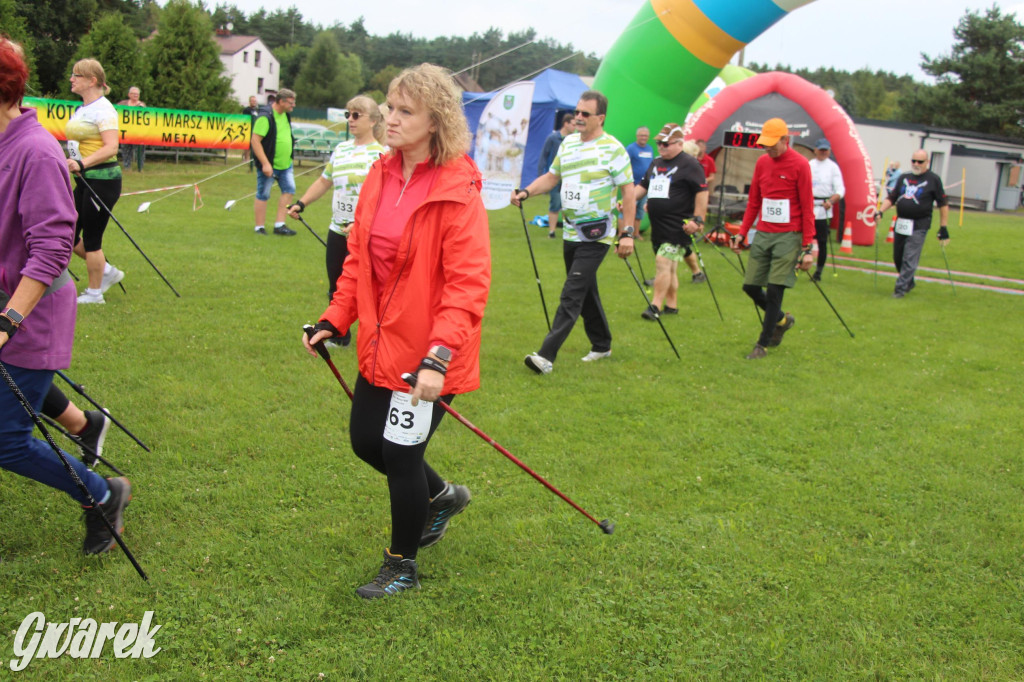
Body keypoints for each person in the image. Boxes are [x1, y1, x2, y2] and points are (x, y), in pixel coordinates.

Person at [303, 64, 490, 599]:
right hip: (382, 341)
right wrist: (334, 319)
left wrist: (438, 356)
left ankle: (401, 566)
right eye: (391, 106)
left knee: (401, 454)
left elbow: (467, 283)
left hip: (432, 349)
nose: (391, 118)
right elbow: (358, 260)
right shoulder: (381, 175)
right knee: (368, 443)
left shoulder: (458, 186)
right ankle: (444, 497)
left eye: (406, 111)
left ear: (436, 122)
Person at [0, 37, 131, 556]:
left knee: (7, 440)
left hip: (32, 313)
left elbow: (54, 247)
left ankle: (103, 496)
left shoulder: (34, 151)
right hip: (10, 304)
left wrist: (10, 317)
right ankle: (83, 423)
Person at [512, 90, 636, 374]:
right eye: (577, 112)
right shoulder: (567, 144)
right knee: (585, 290)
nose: (578, 117)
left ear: (600, 118)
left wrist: (626, 232)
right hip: (570, 232)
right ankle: (602, 344)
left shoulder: (613, 148)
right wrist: (527, 191)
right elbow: (552, 177)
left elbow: (629, 191)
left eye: (585, 114)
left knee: (572, 293)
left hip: (598, 234)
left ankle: (546, 356)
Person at [288, 95, 386, 348]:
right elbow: (324, 181)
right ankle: (340, 335)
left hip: (367, 233)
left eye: (356, 115)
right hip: (338, 230)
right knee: (337, 284)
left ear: (373, 120)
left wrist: (365, 224)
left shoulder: (382, 154)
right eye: (347, 115)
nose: (350, 120)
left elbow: (386, 197)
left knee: (372, 286)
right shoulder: (341, 150)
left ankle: (378, 336)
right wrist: (302, 203)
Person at [729, 118, 814, 359]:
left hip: (790, 235)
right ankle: (782, 320)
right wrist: (742, 233)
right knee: (751, 286)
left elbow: (808, 206)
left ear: (785, 140)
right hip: (764, 233)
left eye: (772, 144)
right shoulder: (762, 163)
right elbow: (754, 201)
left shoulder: (801, 165)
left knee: (776, 290)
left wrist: (808, 246)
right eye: (765, 144)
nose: (768, 148)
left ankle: (762, 344)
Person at [66, 58, 126, 305]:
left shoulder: (104, 110)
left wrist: (82, 164)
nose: (71, 79)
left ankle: (94, 293)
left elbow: (112, 146)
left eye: (76, 75)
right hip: (84, 179)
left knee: (91, 238)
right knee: (66, 232)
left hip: (102, 180)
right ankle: (108, 271)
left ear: (92, 81)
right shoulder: (83, 108)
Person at [634, 123, 709, 320]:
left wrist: (698, 219)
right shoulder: (656, 163)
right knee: (670, 267)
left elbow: (702, 193)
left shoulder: (690, 164)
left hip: (678, 225)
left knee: (663, 262)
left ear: (679, 143)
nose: (661, 147)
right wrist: (626, 201)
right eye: (659, 143)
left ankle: (655, 305)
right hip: (658, 225)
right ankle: (672, 305)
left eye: (665, 143)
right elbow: (642, 187)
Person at [876, 150, 949, 299]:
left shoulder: (933, 179)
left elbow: (943, 204)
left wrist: (943, 227)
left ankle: (900, 289)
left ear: (927, 162)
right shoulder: (904, 177)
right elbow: (892, 197)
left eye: (920, 162)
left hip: (920, 224)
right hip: (902, 222)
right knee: (898, 257)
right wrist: (880, 211)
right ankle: (909, 281)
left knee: (910, 256)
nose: (916, 164)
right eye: (913, 161)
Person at [251, 88, 298, 236]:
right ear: (281, 101)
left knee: (289, 190)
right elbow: (255, 141)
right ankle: (259, 227)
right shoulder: (265, 117)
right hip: (270, 164)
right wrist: (265, 163)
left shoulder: (286, 116)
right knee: (263, 194)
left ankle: (280, 225)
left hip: (286, 164)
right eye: (291, 103)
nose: (293, 106)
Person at [809, 138, 845, 281]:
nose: (823, 152)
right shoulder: (809, 165)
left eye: (826, 150)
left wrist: (831, 201)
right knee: (802, 238)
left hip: (824, 207)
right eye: (821, 149)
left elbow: (840, 189)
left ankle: (818, 272)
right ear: (815, 150)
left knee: (822, 241)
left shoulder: (833, 167)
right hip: (809, 205)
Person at [538, 112, 575, 238]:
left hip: (569, 179)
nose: (575, 127)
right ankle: (552, 231)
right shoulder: (553, 138)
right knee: (555, 204)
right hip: (555, 178)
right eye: (573, 124)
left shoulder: (575, 140)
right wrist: (540, 175)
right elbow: (543, 156)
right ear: (566, 124)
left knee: (568, 206)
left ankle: (568, 232)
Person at [626, 126, 654, 235]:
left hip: (646, 185)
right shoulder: (631, 148)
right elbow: (626, 163)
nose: (644, 138)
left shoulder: (650, 149)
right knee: (628, 209)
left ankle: (636, 233)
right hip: (633, 184)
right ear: (637, 136)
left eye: (646, 136)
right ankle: (623, 233)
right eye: (642, 135)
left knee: (640, 211)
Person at [116, 86, 146, 172]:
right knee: (125, 150)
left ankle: (140, 167)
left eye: (137, 94)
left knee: (140, 151)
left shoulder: (142, 105)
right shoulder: (122, 104)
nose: (136, 95)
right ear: (129, 94)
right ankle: (127, 167)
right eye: (134, 94)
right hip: (126, 132)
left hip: (138, 133)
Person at [241, 95, 260, 166]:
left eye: (255, 101)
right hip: (248, 129)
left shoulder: (257, 110)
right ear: (250, 102)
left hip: (256, 129)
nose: (254, 102)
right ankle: (246, 158)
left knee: (255, 144)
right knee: (248, 145)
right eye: (253, 101)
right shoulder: (247, 110)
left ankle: (254, 159)